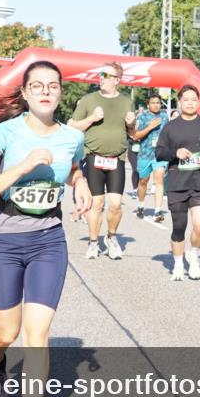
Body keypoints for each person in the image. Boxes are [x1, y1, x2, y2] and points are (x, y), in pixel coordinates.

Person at [0, 60, 91, 397]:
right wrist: (23, 166)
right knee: (6, 332)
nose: (44, 91)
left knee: (35, 336)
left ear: (60, 92)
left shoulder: (72, 137)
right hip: (4, 242)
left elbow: (72, 167)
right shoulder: (3, 133)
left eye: (52, 85)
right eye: (36, 85)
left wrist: (81, 184)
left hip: (48, 241)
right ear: (23, 93)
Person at [154, 85, 200, 281]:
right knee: (179, 227)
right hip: (177, 182)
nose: (190, 102)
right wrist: (174, 153)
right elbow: (159, 152)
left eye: (194, 99)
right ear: (179, 102)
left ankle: (193, 254)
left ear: (199, 102)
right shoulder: (170, 127)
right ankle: (178, 264)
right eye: (186, 99)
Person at [68, 62, 136, 260]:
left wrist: (131, 125)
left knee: (115, 204)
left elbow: (131, 133)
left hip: (117, 159)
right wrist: (90, 119)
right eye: (100, 74)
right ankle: (93, 242)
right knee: (96, 203)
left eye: (106, 75)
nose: (102, 77)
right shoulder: (89, 100)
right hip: (93, 157)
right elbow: (72, 126)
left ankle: (111, 237)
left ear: (117, 80)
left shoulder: (126, 102)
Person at [131, 94, 169, 222]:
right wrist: (150, 127)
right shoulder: (142, 117)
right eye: (153, 103)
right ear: (148, 105)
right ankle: (141, 206)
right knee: (143, 182)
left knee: (159, 181)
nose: (156, 105)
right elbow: (135, 136)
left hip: (160, 155)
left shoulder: (164, 116)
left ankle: (157, 211)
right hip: (145, 154)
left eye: (158, 102)